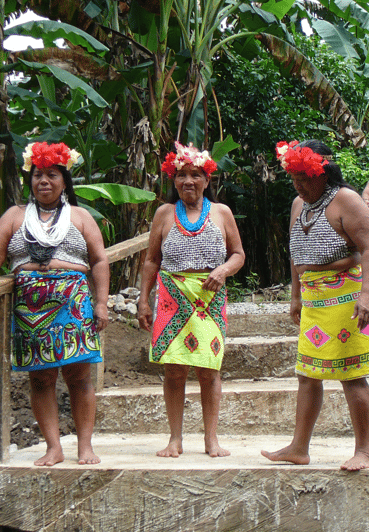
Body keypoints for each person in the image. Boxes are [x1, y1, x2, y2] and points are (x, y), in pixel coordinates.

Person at [0, 141, 109, 466]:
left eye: (52, 175)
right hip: (31, 307)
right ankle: (53, 447)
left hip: (73, 301)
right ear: (30, 180)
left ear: (64, 181)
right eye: (38, 175)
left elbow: (99, 260)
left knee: (79, 376)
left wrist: (101, 303)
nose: (43, 181)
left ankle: (85, 446)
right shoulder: (15, 216)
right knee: (41, 378)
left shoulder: (80, 216)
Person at [261, 140, 369, 471]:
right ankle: (299, 447)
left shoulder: (347, 200)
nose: (298, 184)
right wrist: (296, 295)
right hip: (314, 301)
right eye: (293, 178)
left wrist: (367, 294)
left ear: (323, 173)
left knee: (351, 374)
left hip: (348, 300)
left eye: (304, 177)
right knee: (308, 374)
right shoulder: (298, 204)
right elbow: (296, 252)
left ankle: (364, 451)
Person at [138, 141, 245, 458]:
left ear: (207, 179)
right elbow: (151, 261)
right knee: (173, 369)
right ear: (174, 180)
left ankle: (211, 439)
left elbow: (238, 254)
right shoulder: (164, 213)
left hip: (209, 300)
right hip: (172, 299)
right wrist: (144, 300)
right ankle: (175, 439)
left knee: (209, 369)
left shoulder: (222, 213)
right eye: (182, 175)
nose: (188, 181)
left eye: (195, 175)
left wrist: (223, 270)